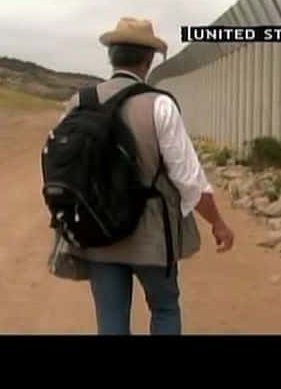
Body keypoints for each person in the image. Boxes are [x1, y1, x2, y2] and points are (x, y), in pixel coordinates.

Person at [62, 17, 234, 335]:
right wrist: (218, 223)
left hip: (97, 227)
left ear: (111, 56)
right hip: (153, 231)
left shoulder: (79, 103)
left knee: (111, 321)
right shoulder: (160, 106)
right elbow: (188, 180)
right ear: (148, 59)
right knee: (165, 308)